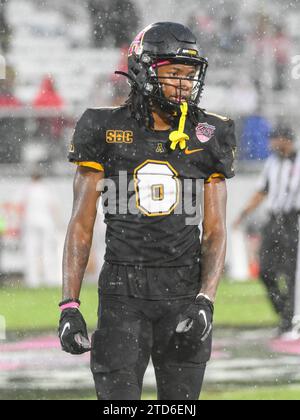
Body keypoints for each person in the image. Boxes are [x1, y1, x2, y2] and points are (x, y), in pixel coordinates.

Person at [59, 22, 236, 400]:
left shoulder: (210, 132)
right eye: (173, 74)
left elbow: (216, 230)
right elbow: (81, 224)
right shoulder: (103, 127)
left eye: (189, 75)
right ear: (142, 71)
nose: (184, 84)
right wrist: (70, 304)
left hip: (183, 291)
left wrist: (206, 298)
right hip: (122, 292)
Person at [234, 126, 300, 338]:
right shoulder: (273, 162)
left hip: (294, 220)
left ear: (285, 140)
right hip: (274, 221)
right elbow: (262, 191)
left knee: (291, 273)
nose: (271, 144)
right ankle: (284, 314)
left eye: (275, 139)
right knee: (265, 270)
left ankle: (289, 321)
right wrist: (243, 213)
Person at [22, 171, 61, 288]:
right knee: (48, 251)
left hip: (30, 221)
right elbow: (54, 207)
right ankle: (50, 278)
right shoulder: (46, 189)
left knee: (31, 251)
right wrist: (58, 224)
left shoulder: (27, 189)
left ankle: (32, 280)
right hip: (46, 222)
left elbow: (21, 206)